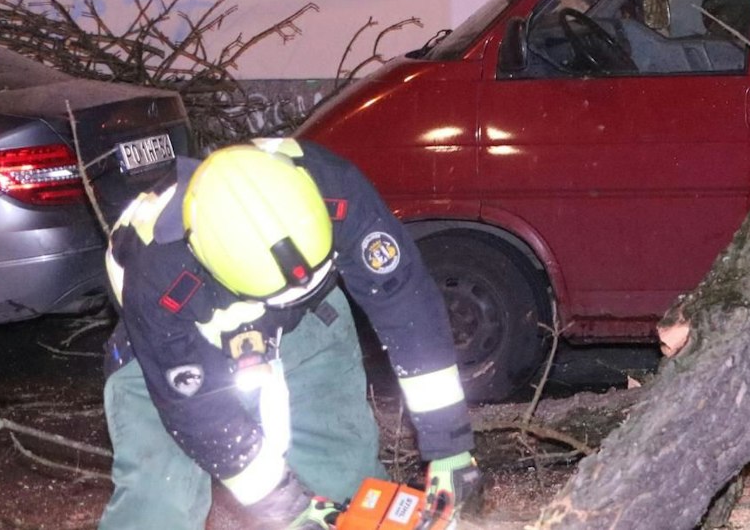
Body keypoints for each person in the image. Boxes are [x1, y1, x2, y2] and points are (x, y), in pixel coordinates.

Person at [99, 138, 481, 530]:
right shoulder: (156, 277)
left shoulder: (334, 185)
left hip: (307, 324)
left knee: (349, 486)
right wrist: (282, 505)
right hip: (172, 350)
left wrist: (449, 443)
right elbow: (199, 414)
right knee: (160, 501)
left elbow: (406, 305)